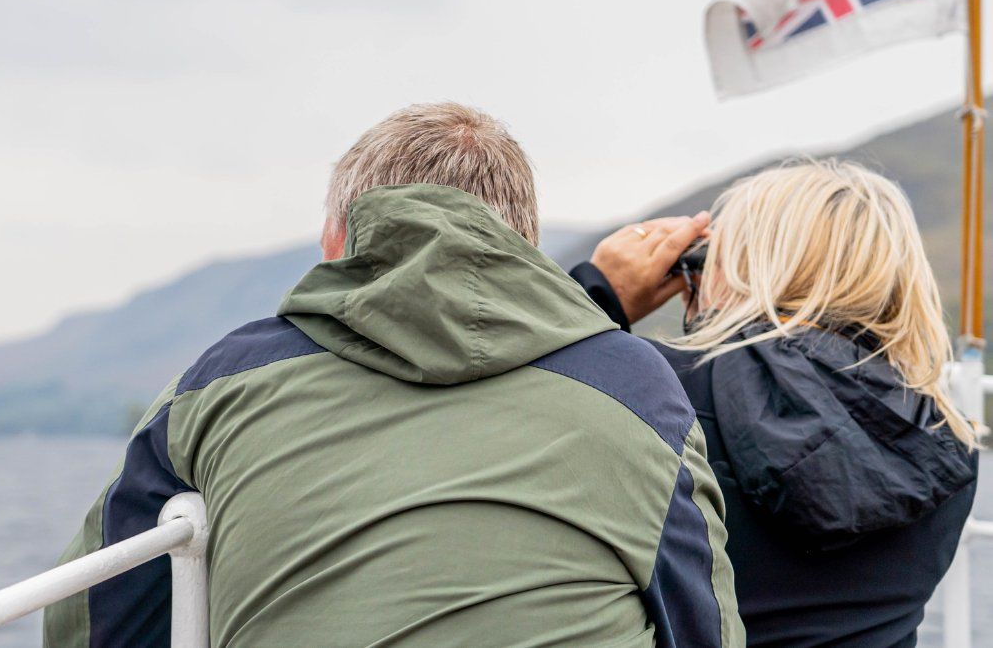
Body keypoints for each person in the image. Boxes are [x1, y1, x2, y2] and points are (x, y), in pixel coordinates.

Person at [45, 102, 744, 648]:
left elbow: (92, 616)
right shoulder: (634, 389)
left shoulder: (223, 383)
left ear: (336, 243)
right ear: (524, 245)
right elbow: (704, 626)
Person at [578, 159, 979, 648]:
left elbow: (512, 407)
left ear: (744, 270)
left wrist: (597, 295)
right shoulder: (947, 441)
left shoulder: (656, 390)